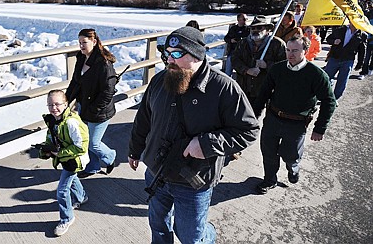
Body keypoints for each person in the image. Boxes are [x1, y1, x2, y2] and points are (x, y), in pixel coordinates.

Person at [128, 26, 259, 244]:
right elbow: (143, 119)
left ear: (197, 55)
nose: (169, 60)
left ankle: (208, 234)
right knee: (158, 224)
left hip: (193, 179)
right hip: (156, 170)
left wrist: (206, 144)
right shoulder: (160, 80)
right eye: (166, 53)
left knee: (190, 236)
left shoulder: (224, 88)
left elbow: (249, 130)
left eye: (177, 54)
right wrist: (134, 149)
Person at [252, 35, 337, 194]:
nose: (290, 54)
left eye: (295, 51)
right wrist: (254, 116)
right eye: (288, 50)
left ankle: (293, 168)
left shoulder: (316, 75)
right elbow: (263, 93)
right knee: (268, 151)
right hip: (273, 118)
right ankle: (269, 180)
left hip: (296, 124)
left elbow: (329, 101)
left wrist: (320, 128)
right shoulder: (277, 69)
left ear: (305, 50)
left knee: (290, 154)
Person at [66, 28, 117, 178]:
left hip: (99, 110)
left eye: (84, 42)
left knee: (93, 143)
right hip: (84, 106)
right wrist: (66, 101)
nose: (81, 46)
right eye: (79, 42)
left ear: (94, 42)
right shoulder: (81, 58)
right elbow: (76, 82)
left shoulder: (104, 63)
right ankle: (92, 167)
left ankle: (110, 157)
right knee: (84, 138)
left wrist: (94, 110)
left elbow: (108, 92)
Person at [38, 90, 90, 236]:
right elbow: (51, 139)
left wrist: (59, 153)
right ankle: (81, 197)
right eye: (50, 105)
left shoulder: (72, 122)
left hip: (75, 160)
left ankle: (67, 218)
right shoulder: (53, 120)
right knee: (72, 179)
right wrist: (45, 150)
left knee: (62, 190)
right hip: (66, 159)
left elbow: (81, 146)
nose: (53, 108)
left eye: (57, 104)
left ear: (66, 104)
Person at [232, 15, 286, 107]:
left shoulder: (277, 44)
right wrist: (246, 70)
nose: (255, 30)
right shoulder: (243, 43)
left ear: (268, 29)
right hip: (243, 87)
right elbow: (235, 60)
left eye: (259, 27)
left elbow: (284, 66)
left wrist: (267, 65)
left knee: (256, 116)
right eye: (253, 28)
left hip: (264, 90)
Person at [324, 22, 366, 99]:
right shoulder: (340, 30)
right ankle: (325, 95)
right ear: (350, 22)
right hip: (334, 58)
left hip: (348, 60)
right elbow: (328, 39)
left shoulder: (362, 35)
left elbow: (362, 51)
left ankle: (335, 98)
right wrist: (334, 41)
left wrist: (360, 64)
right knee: (326, 78)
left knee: (342, 81)